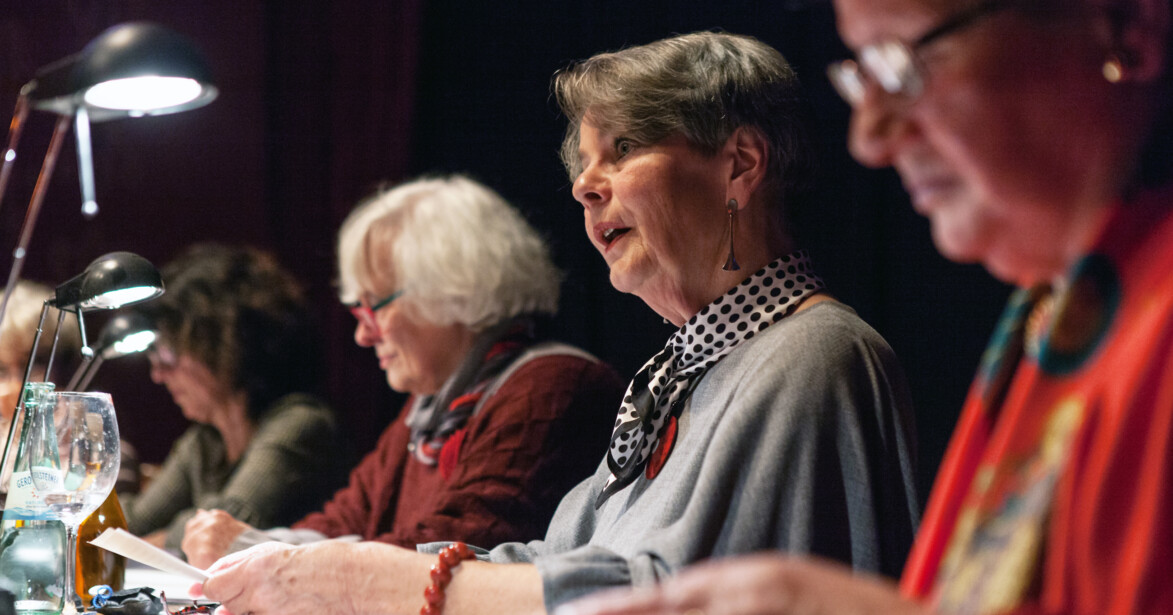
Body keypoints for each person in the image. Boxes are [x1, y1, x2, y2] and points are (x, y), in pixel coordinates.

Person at [192, 32, 919, 615]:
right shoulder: (683, 371)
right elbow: (562, 562)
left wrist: (363, 585)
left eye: (623, 149)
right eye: (582, 161)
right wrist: (328, 575)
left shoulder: (813, 353)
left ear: (739, 164)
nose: (582, 183)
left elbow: (675, 598)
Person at [557, 0, 1173, 614]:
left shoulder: (816, 351)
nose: (870, 137)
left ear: (1126, 28)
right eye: (865, 76)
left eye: (903, 60)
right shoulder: (1055, 315)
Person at [181, 175, 625, 568]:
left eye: (375, 305)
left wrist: (261, 551)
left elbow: (452, 550)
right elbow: (344, 519)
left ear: (454, 285)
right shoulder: (430, 409)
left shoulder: (552, 388)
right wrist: (257, 548)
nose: (363, 335)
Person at [121, 244, 345, 551]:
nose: (157, 374)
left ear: (226, 346)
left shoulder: (301, 423)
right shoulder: (204, 443)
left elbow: (228, 524)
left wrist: (161, 538)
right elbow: (130, 525)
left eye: (168, 354)